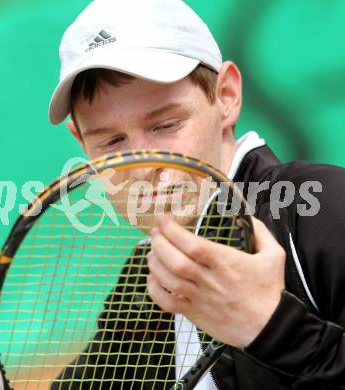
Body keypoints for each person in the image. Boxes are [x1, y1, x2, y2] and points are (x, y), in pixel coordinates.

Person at [48, 0, 345, 388]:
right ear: (81, 142)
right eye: (112, 141)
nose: (140, 165)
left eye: (166, 124)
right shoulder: (143, 280)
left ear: (226, 96)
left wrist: (274, 329)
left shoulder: (325, 210)